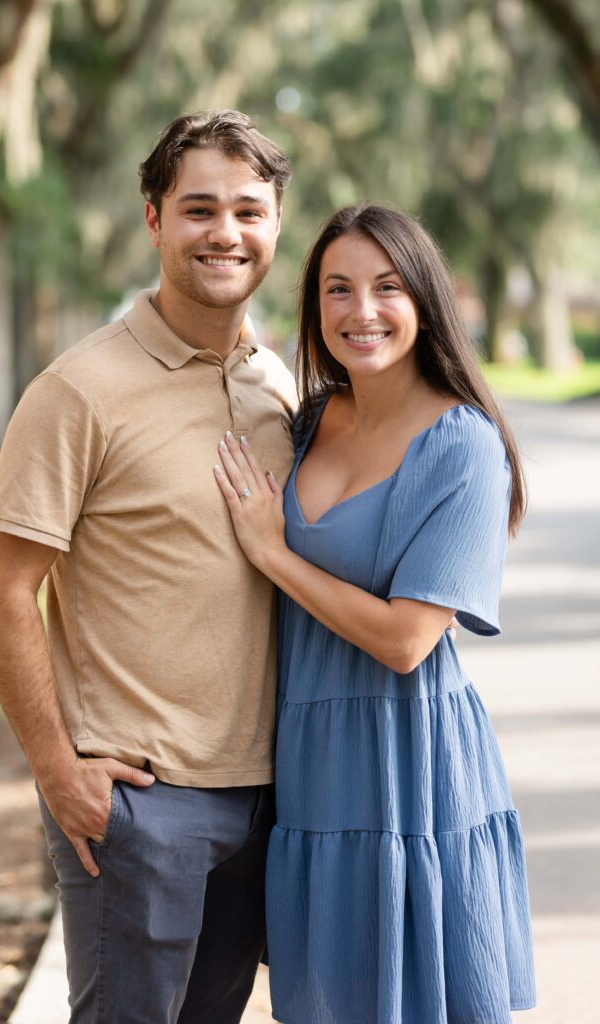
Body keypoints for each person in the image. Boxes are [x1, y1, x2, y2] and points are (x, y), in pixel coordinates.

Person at [0, 110, 298, 1024]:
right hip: (139, 802)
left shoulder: (273, 385)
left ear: (275, 224)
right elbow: (3, 589)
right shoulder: (79, 391)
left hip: (263, 797)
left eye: (248, 210)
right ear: (154, 219)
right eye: (199, 209)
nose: (225, 233)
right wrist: (54, 766)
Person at [214, 204, 537, 1024]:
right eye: (338, 289)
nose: (361, 311)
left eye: (386, 287)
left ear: (423, 299)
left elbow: (405, 639)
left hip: (411, 764)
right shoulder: (313, 419)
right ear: (314, 307)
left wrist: (273, 553)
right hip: (311, 764)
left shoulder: (463, 445)